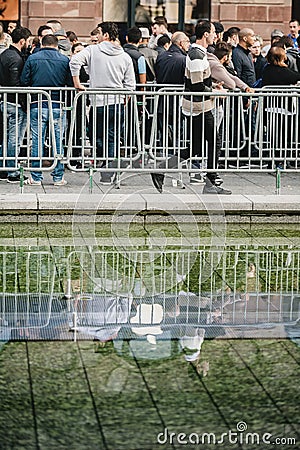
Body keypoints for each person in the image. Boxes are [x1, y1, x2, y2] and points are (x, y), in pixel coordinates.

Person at [151, 21, 232, 195]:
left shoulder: (198, 53)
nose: (215, 36)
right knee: (214, 142)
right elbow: (196, 85)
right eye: (213, 32)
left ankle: (161, 170)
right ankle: (211, 182)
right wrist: (215, 92)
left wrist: (213, 86)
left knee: (197, 147)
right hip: (199, 106)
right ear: (205, 35)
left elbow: (198, 82)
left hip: (197, 105)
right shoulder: (196, 54)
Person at [69, 21, 135, 184]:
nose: (96, 37)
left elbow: (74, 62)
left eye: (98, 33)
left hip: (98, 102)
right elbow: (130, 84)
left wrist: (77, 83)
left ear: (105, 35)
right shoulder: (125, 56)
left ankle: (103, 162)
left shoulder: (92, 50)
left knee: (95, 135)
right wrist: (125, 98)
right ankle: (108, 170)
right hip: (117, 102)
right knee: (112, 137)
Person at [21, 34, 73, 186]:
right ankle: (58, 177)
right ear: (57, 45)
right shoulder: (64, 59)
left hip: (38, 103)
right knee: (58, 141)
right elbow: (69, 82)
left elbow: (24, 80)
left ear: (42, 44)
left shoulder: (33, 58)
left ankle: (36, 177)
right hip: (57, 104)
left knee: (37, 141)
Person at [0, 27, 31, 183]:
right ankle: (12, 171)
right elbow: (15, 84)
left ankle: (4, 168)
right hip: (15, 103)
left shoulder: (5, 54)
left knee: (7, 138)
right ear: (23, 41)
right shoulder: (15, 58)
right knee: (15, 138)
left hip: (5, 101)